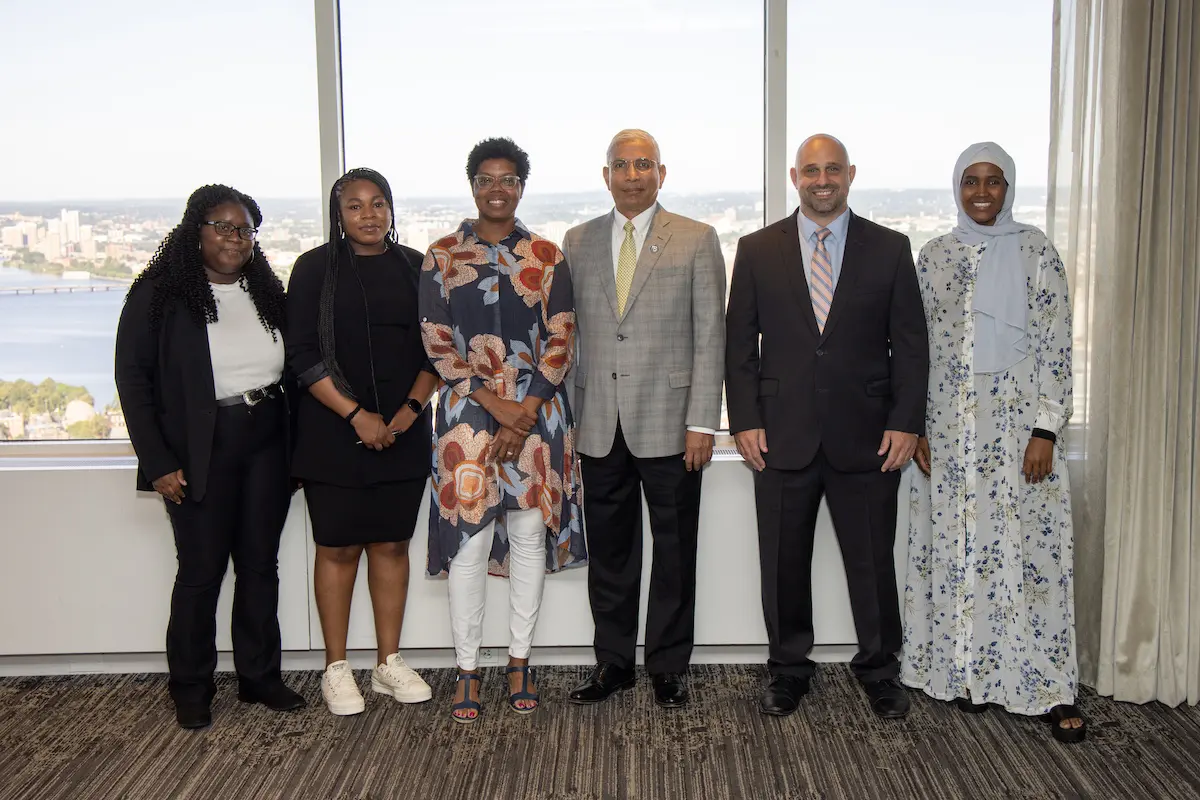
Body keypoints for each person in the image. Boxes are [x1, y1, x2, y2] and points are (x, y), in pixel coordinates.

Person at [725, 135, 929, 719]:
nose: (822, 180)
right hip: (779, 435)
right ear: (795, 177)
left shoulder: (889, 248)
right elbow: (739, 346)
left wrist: (906, 423)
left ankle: (880, 669)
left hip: (869, 437)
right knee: (782, 564)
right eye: (811, 170)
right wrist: (744, 420)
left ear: (850, 174)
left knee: (872, 562)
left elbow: (911, 347)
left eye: (832, 170)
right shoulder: (757, 249)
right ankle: (788, 669)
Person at [902, 142, 1084, 743]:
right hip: (950, 435)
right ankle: (970, 674)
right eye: (971, 181)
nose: (982, 192)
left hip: (1019, 434)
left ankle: (1047, 685)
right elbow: (916, 347)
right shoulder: (934, 255)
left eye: (994, 181)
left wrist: (1046, 429)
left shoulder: (1035, 252)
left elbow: (1057, 343)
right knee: (959, 549)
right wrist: (917, 425)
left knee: (1028, 554)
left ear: (1009, 188)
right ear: (957, 187)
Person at [115, 184, 304, 729]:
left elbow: (293, 368)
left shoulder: (265, 289)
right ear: (194, 230)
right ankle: (191, 687)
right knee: (201, 572)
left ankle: (259, 678)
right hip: (200, 447)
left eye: (244, 229)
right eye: (222, 227)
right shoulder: (159, 294)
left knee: (260, 566)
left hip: (267, 439)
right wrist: (158, 463)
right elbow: (133, 382)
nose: (234, 238)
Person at [419, 137, 586, 723]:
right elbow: (437, 343)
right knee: (467, 544)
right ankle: (466, 669)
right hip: (467, 416)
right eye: (486, 179)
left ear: (521, 187)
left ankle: (519, 661)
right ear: (472, 186)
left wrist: (524, 410)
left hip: (538, 415)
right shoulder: (441, 256)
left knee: (528, 536)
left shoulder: (546, 255)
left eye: (508, 179)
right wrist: (496, 405)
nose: (497, 189)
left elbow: (562, 338)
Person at [563, 129, 726, 709]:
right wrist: (569, 420)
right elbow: (570, 337)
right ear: (605, 174)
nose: (632, 175)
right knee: (610, 553)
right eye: (621, 165)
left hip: (672, 423)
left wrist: (703, 421)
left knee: (675, 552)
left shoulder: (697, 238)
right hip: (598, 424)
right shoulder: (577, 241)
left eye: (643, 165)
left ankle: (667, 665)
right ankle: (612, 664)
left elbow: (711, 336)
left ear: (662, 173)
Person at [287, 168, 436, 716]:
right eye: (354, 205)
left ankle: (388, 663)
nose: (368, 214)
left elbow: (437, 350)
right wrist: (356, 416)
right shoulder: (313, 268)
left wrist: (405, 415)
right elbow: (302, 353)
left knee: (392, 545)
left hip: (404, 430)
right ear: (338, 214)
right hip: (332, 431)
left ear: (391, 210)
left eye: (378, 203)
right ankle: (336, 667)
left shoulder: (417, 266)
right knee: (338, 548)